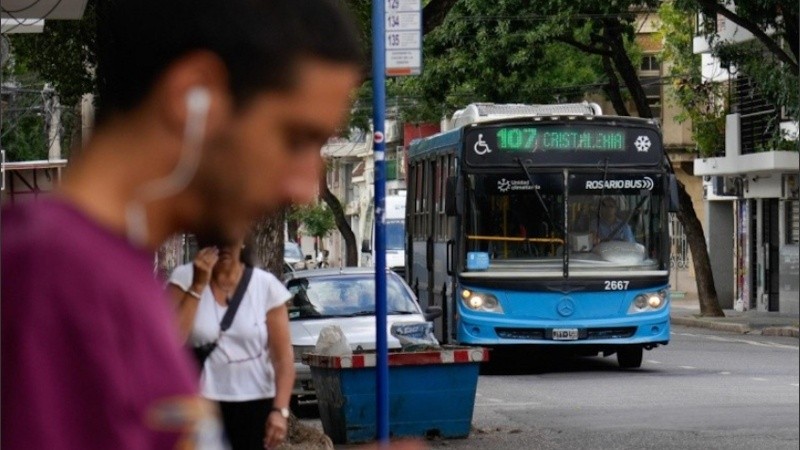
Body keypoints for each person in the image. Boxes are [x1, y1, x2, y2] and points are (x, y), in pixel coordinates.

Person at [1, 1, 362, 449]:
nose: (305, 187)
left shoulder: (106, 275)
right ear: (195, 95)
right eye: (294, 137)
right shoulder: (55, 280)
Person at [167, 238, 293, 450]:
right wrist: (197, 286)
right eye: (216, 238)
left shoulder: (265, 285)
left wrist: (280, 411)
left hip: (255, 404)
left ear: (242, 240)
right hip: (199, 403)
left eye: (229, 239)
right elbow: (168, 340)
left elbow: (283, 358)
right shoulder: (183, 278)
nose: (223, 246)